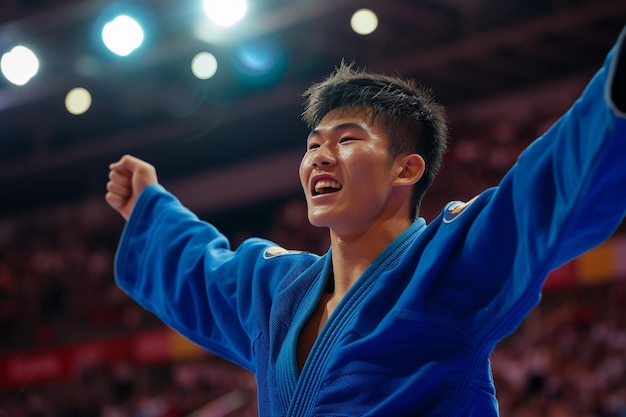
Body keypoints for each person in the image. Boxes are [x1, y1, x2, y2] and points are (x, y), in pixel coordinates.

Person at [106, 25, 626, 416]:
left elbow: (542, 191)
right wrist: (149, 207)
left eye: (347, 140)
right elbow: (202, 271)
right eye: (313, 146)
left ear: (406, 168)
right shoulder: (277, 291)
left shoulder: (444, 264)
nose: (320, 158)